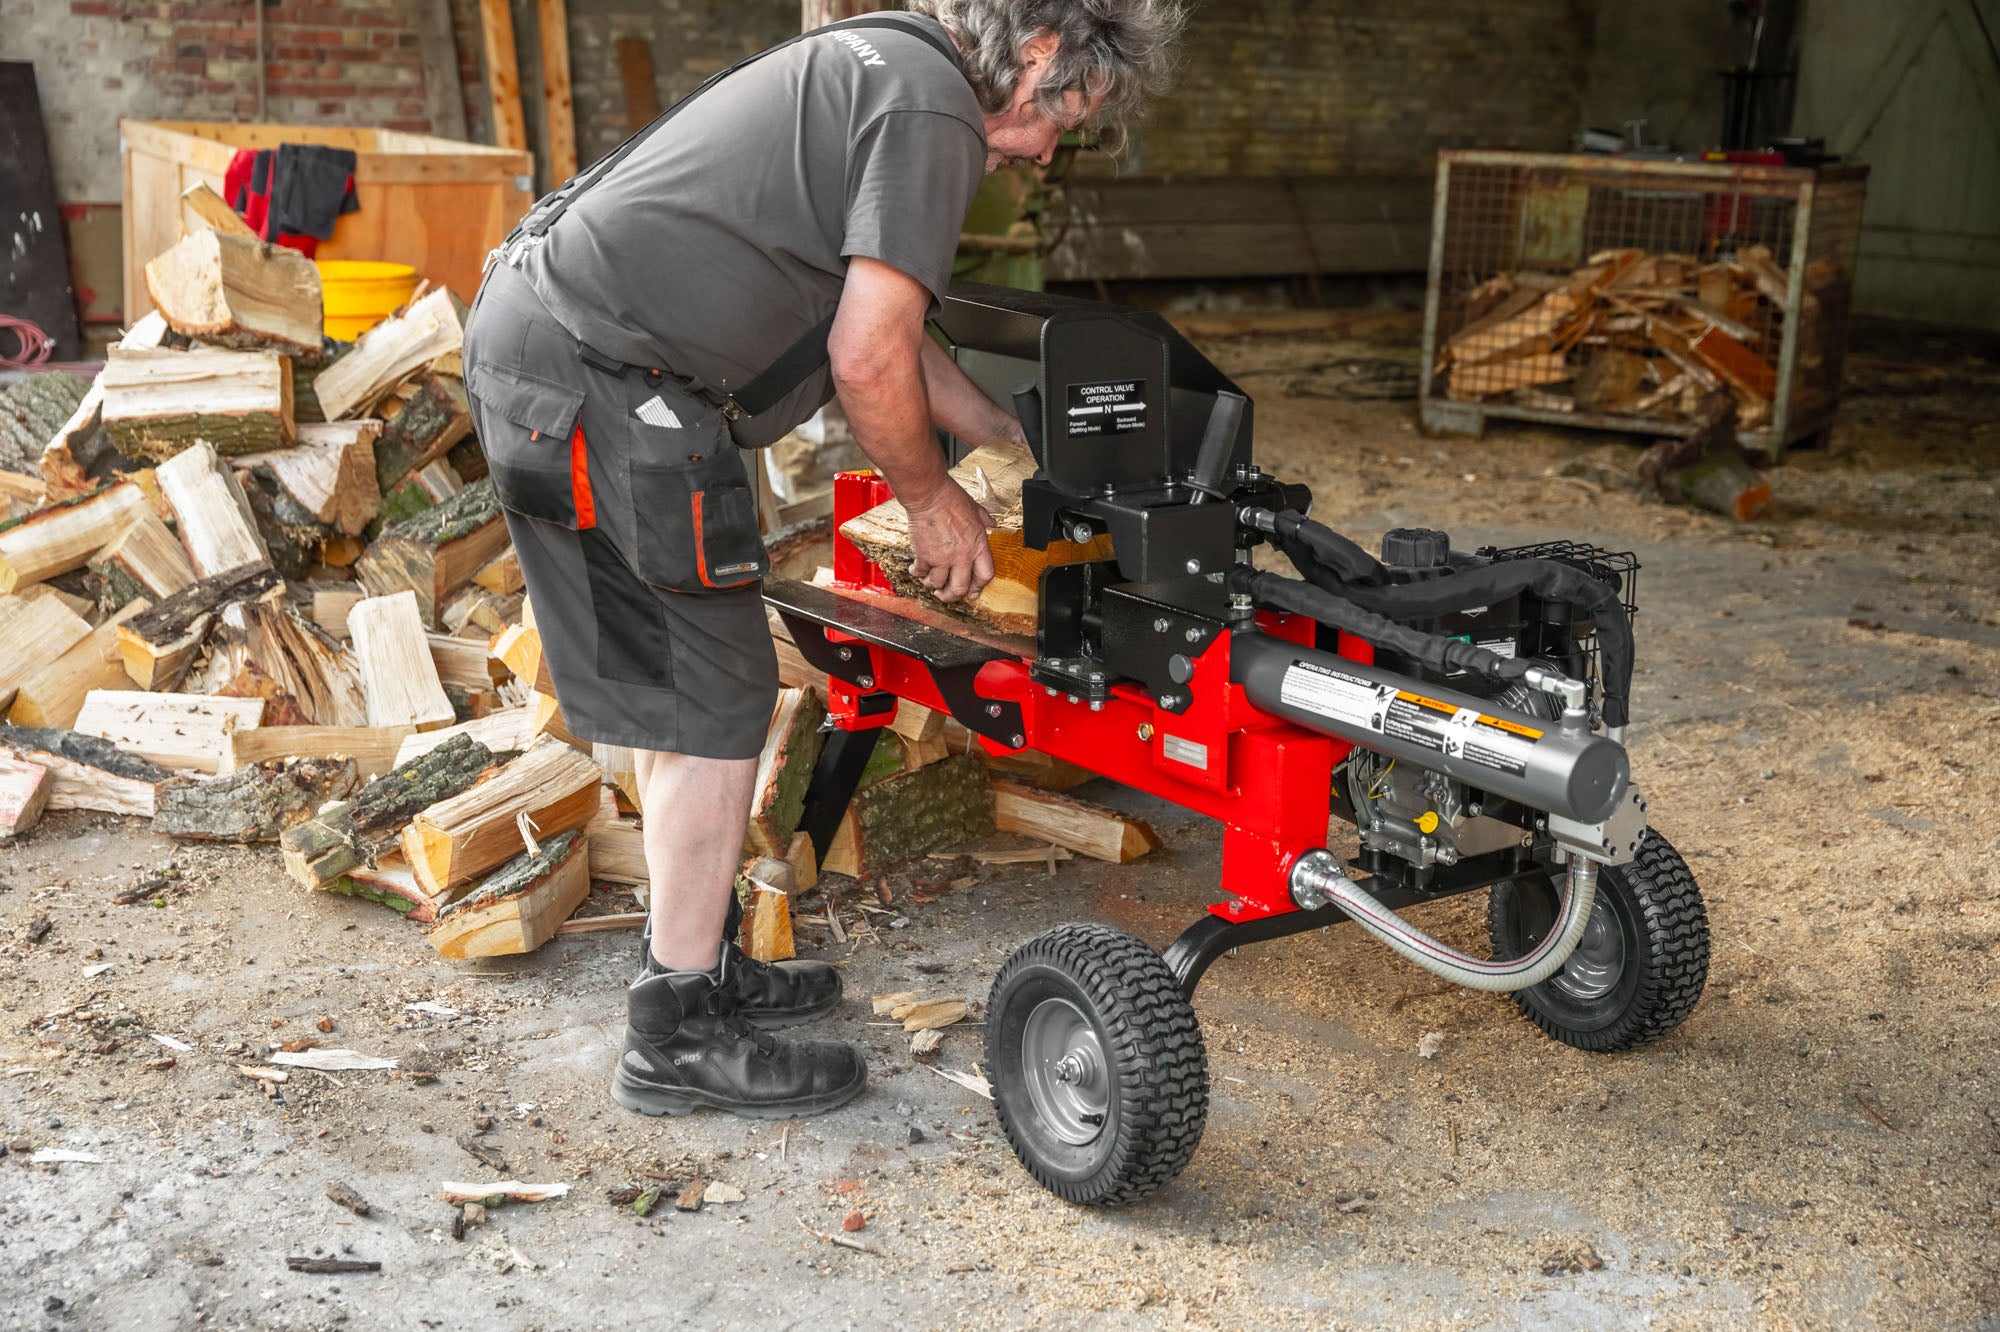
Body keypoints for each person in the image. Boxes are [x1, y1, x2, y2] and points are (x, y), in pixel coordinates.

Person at [461, 0, 1184, 1121]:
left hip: (548, 349)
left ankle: (691, 963)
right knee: (714, 697)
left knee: (673, 691)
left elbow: (890, 326)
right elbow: (866, 356)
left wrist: (1009, 435)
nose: (1047, 150)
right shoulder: (933, 112)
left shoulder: (886, 61)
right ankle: (676, 1035)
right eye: (1065, 116)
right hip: (608, 384)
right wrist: (932, 501)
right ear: (1039, 55)